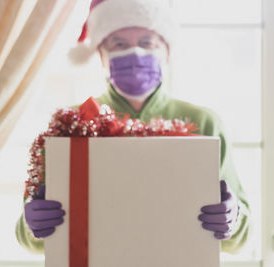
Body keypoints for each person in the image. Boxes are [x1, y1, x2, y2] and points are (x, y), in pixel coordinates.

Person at [16, 0, 250, 255]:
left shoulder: (204, 122)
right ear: (100, 53)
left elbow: (241, 239)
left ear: (167, 51)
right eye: (119, 44)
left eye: (147, 42)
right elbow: (27, 239)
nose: (135, 53)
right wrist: (33, 223)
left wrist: (233, 217)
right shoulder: (73, 123)